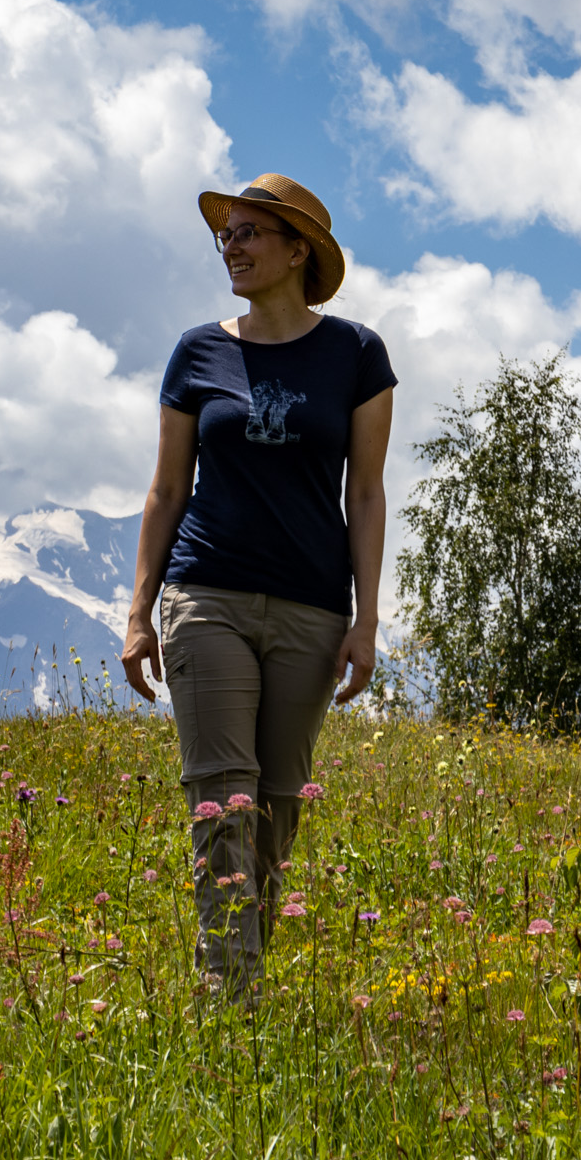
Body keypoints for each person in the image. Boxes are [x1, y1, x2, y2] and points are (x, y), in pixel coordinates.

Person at [121, 174, 396, 1000]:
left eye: (248, 233)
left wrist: (367, 620)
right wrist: (140, 613)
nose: (232, 248)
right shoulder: (197, 352)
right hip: (207, 596)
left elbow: (366, 494)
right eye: (226, 235)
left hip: (313, 609)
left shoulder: (357, 355)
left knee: (276, 808)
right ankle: (229, 999)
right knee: (223, 801)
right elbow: (167, 490)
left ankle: (242, 984)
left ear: (298, 250)